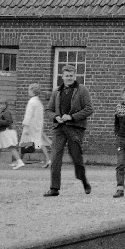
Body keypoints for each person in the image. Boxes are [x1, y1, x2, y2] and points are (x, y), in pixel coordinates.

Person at [45, 66, 94, 197]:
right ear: (62, 77)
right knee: (55, 158)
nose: (69, 78)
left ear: (75, 76)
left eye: (71, 75)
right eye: (67, 76)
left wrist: (72, 117)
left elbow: (89, 109)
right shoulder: (57, 91)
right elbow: (48, 110)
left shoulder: (82, 90)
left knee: (76, 158)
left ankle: (84, 181)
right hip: (59, 129)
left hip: (75, 129)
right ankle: (54, 188)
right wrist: (55, 117)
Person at [0, 99, 24, 169]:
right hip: (3, 133)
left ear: (5, 105)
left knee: (11, 148)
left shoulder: (6, 112)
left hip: (6, 132)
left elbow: (9, 122)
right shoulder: (4, 112)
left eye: (1, 104)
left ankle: (20, 162)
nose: (0, 106)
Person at [19, 84, 51, 169]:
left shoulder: (31, 102)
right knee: (39, 143)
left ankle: (19, 161)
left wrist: (25, 125)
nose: (28, 92)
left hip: (30, 126)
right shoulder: (39, 103)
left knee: (24, 143)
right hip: (37, 126)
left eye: (29, 90)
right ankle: (48, 159)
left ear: (32, 92)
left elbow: (28, 115)